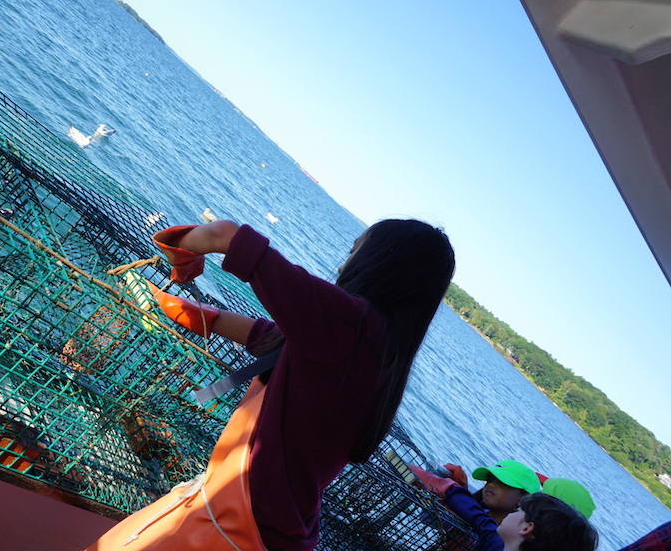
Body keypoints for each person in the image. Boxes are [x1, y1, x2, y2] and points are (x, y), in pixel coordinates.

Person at [85, 218, 456, 551]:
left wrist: (180, 253)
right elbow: (269, 338)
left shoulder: (353, 325)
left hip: (233, 527)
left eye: (354, 251)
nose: (343, 264)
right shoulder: (379, 353)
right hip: (265, 528)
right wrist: (170, 305)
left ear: (381, 262)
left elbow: (224, 234)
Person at [412, 467, 598, 551]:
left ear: (528, 527)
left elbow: (481, 520)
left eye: (520, 510)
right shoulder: (496, 539)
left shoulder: (494, 540)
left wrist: (448, 487)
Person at [470, 460, 543, 525]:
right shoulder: (474, 512)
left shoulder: (511, 536)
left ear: (523, 499)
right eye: (489, 480)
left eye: (501, 483)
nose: (491, 485)